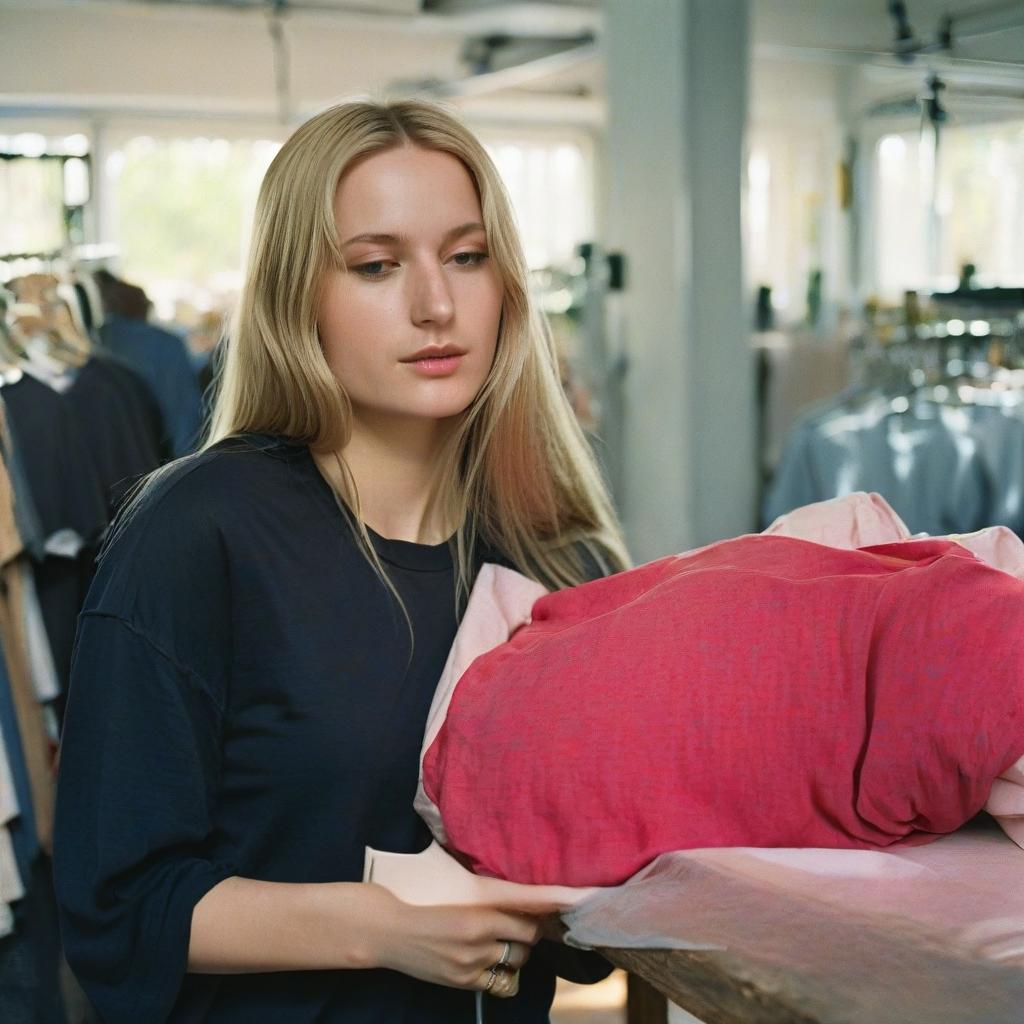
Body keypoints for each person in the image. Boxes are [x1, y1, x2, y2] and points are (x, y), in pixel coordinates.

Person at [51, 97, 631, 1023]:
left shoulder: (556, 555)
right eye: (375, 265)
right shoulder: (200, 532)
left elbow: (593, 930)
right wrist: (378, 928)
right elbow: (117, 908)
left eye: (467, 256)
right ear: (298, 296)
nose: (435, 303)